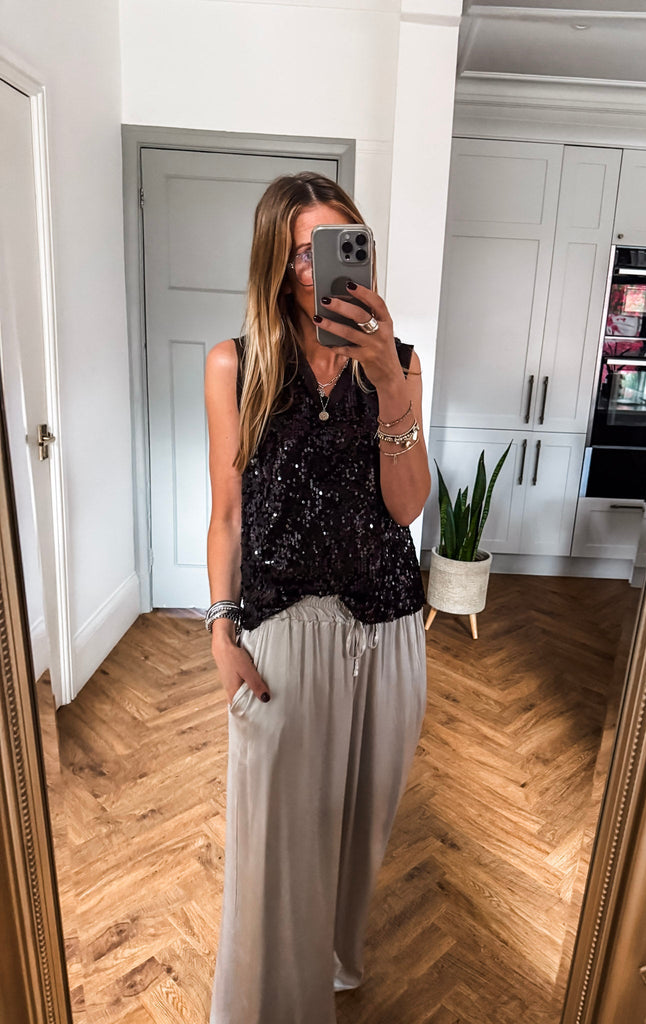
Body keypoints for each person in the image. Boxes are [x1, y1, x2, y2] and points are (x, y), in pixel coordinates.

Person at [203, 171, 430, 1023]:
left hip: (388, 628)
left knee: (359, 828)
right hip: (282, 633)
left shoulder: (398, 363)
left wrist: (391, 384)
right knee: (276, 842)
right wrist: (221, 631)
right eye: (302, 253)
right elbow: (228, 514)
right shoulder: (236, 365)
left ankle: (332, 963)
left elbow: (406, 508)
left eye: (338, 247)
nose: (319, 270)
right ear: (274, 263)